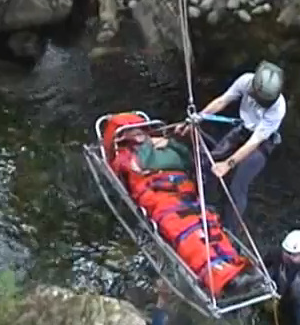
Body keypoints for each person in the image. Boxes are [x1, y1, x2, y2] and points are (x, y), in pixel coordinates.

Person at [105, 112, 261, 295]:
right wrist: (147, 144)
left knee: (209, 223)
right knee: (186, 231)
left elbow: (187, 158)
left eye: (140, 128)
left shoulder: (164, 145)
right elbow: (142, 166)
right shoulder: (126, 155)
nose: (138, 132)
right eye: (132, 131)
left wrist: (169, 143)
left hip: (183, 191)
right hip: (160, 197)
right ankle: (219, 276)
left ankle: (235, 265)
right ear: (123, 137)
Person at [175, 60, 287, 235]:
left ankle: (230, 230)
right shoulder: (246, 81)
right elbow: (222, 101)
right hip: (244, 129)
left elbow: (254, 142)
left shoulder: (277, 108)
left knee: (238, 185)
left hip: (262, 144)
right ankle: (207, 204)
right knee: (208, 162)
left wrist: (228, 164)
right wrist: (198, 118)